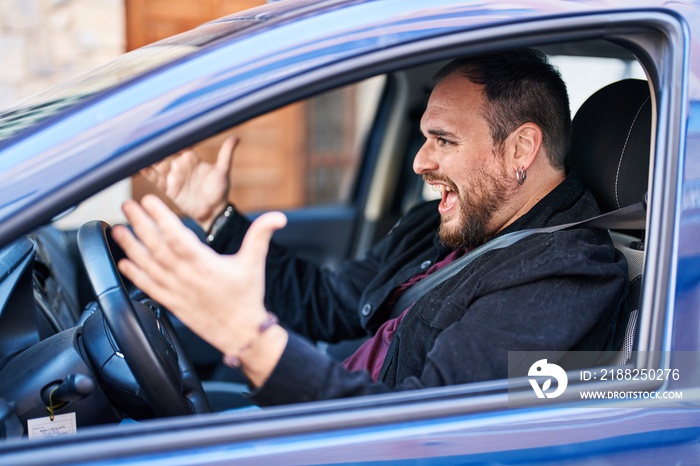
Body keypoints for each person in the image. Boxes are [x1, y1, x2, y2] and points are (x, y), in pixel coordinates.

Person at [111, 49, 630, 406]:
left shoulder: (565, 273)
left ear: (521, 148)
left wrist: (252, 343)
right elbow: (331, 303)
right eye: (424, 138)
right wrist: (214, 215)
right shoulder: (443, 225)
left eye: (443, 140)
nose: (419, 162)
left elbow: (428, 430)